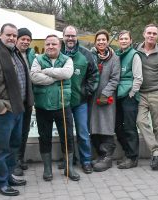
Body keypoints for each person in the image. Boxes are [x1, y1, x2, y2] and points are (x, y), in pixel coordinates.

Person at [0, 23, 33, 196]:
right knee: (1, 148)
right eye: (8, 35)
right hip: (3, 111)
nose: (11, 38)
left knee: (13, 146)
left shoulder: (15, 53)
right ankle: (0, 183)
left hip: (17, 109)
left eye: (14, 35)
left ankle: (8, 176)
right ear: (0, 35)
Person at [30, 34, 80, 181]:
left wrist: (46, 71)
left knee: (68, 137)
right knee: (44, 137)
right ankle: (47, 169)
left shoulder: (67, 59)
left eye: (54, 44)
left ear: (60, 45)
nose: (51, 47)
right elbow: (33, 76)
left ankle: (69, 168)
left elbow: (67, 73)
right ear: (45, 45)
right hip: (42, 107)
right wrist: (57, 76)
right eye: (48, 44)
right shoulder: (37, 59)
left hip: (63, 106)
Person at [61, 25, 99, 174]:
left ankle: (86, 160)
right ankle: (69, 160)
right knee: (66, 133)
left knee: (83, 132)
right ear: (63, 36)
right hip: (63, 102)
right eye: (67, 36)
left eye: (73, 36)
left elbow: (94, 75)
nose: (70, 38)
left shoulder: (86, 54)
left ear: (76, 37)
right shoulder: (57, 52)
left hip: (80, 102)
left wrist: (86, 91)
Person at [136, 24, 158, 170]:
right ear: (144, 34)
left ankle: (156, 157)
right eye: (149, 33)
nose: (151, 35)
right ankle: (157, 150)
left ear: (157, 35)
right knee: (140, 121)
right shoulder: (135, 50)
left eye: (154, 33)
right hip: (141, 93)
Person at [89, 29, 120, 172]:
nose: (101, 42)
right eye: (98, 40)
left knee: (106, 125)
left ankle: (107, 157)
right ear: (95, 42)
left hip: (106, 98)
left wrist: (105, 93)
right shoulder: (90, 55)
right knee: (94, 125)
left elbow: (115, 78)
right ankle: (98, 155)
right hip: (92, 97)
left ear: (107, 41)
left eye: (103, 39)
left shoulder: (114, 58)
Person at [115, 30, 143, 169]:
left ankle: (133, 158)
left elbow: (138, 78)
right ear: (118, 41)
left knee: (130, 128)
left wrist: (132, 93)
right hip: (117, 95)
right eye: (121, 39)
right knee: (118, 126)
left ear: (131, 40)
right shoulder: (117, 54)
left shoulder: (134, 55)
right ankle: (127, 153)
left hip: (129, 96)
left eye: (126, 38)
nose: (124, 41)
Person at [13, 28, 36, 176]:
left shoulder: (30, 55)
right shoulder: (11, 54)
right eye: (23, 39)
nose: (26, 41)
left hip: (27, 100)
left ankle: (20, 159)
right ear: (17, 39)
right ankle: (13, 162)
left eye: (28, 39)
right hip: (15, 101)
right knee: (15, 132)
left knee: (25, 131)